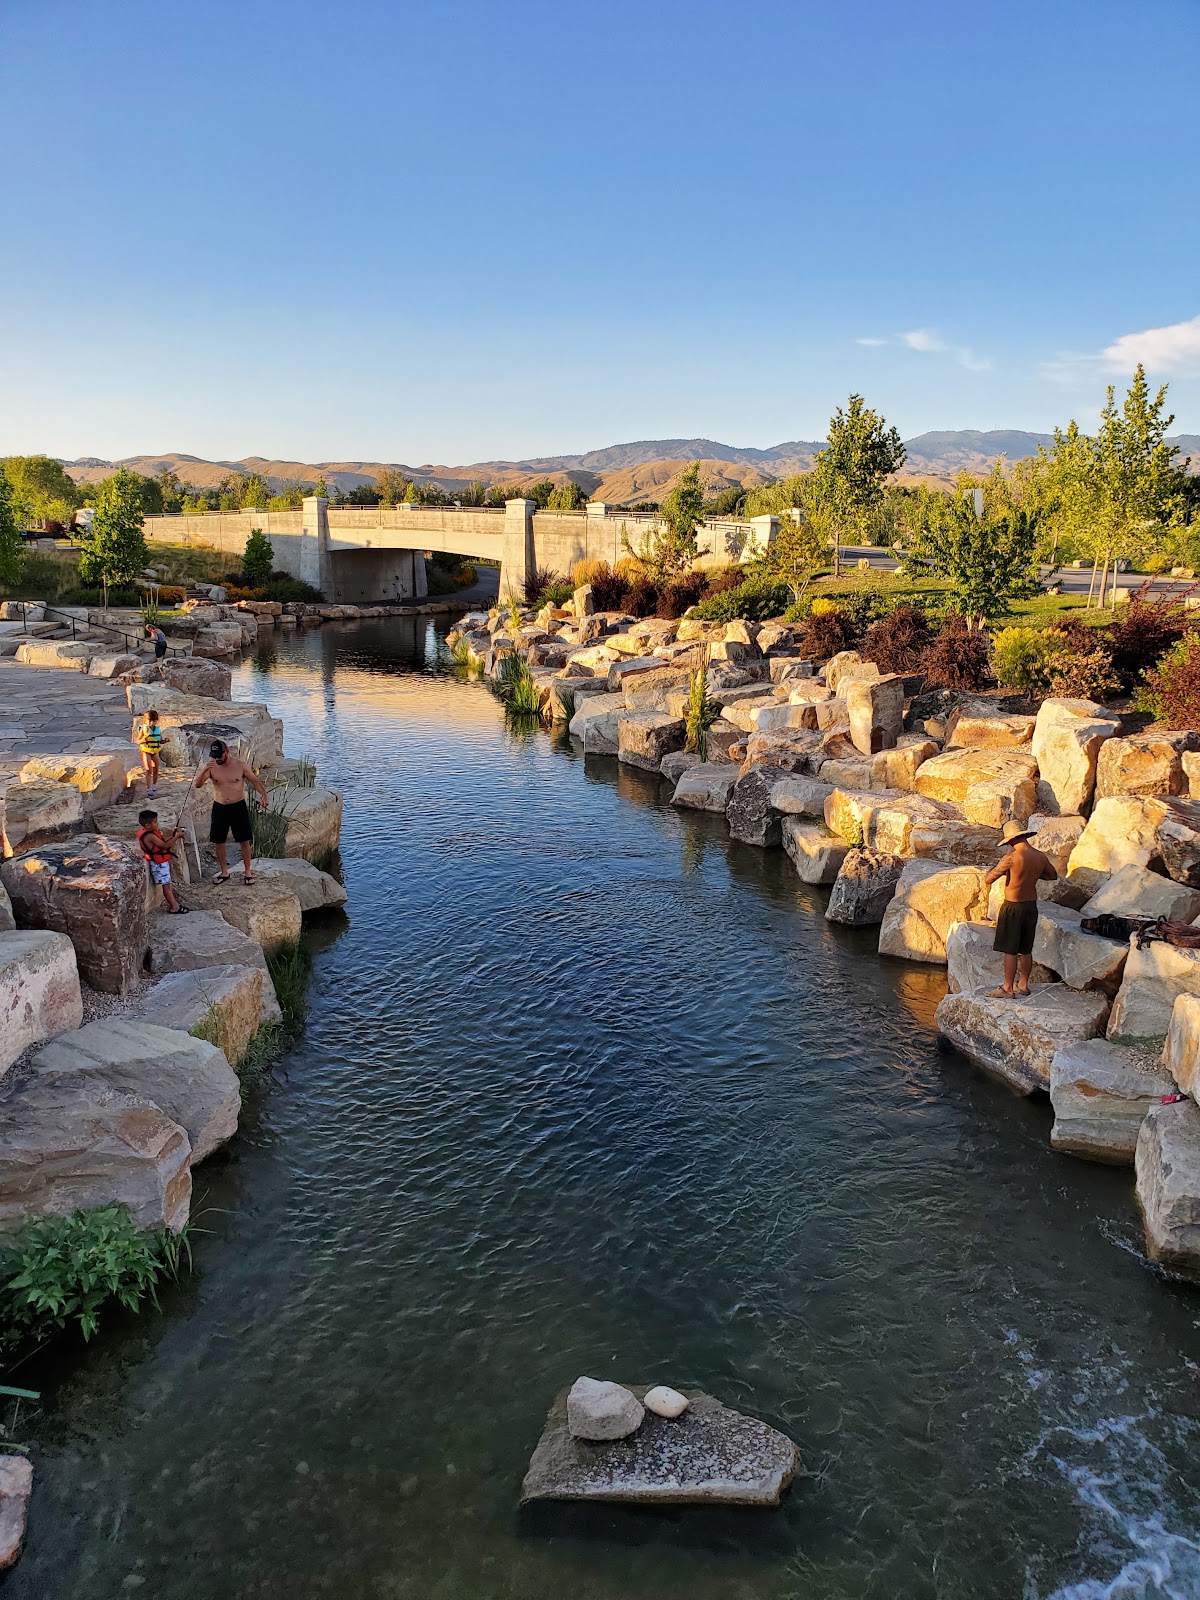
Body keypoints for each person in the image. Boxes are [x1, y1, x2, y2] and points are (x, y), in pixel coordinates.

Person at [983, 820, 1058, 998]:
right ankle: (1023, 984)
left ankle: (1007, 988)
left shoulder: (1011, 858)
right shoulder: (1039, 856)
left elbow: (988, 879)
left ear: (1010, 840)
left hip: (1013, 906)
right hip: (1030, 906)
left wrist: (1000, 867)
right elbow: (1052, 875)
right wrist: (1033, 874)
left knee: (1010, 949)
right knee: (1025, 948)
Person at [195, 738, 269, 885]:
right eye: (215, 756)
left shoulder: (240, 766)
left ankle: (247, 872)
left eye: (219, 756)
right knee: (219, 841)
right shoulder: (211, 766)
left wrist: (264, 795)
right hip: (220, 806)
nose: (217, 759)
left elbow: (255, 781)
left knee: (244, 840)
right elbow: (198, 785)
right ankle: (224, 872)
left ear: (227, 752)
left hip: (238, 806)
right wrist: (203, 769)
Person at [137, 808, 188, 914]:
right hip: (159, 864)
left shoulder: (147, 832)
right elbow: (165, 845)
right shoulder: (150, 836)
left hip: (159, 862)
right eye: (155, 822)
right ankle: (174, 906)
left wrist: (173, 836)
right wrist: (177, 837)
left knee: (167, 884)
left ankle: (174, 905)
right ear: (147, 825)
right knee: (166, 886)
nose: (158, 823)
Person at [136, 708, 163, 797]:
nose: (152, 723)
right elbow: (138, 741)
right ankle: (149, 788)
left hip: (155, 751)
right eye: (150, 720)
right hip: (146, 751)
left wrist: (165, 741)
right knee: (148, 769)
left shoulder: (158, 729)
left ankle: (154, 785)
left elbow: (160, 740)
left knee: (156, 768)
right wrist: (144, 739)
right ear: (146, 720)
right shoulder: (143, 729)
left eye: (154, 721)